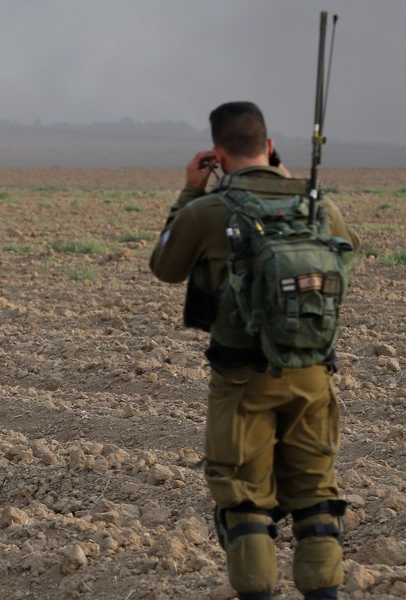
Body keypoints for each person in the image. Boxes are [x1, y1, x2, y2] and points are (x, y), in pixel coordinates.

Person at [150, 102, 359, 600]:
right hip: (312, 374)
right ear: (269, 147)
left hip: (242, 378)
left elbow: (165, 265)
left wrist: (189, 191)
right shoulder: (317, 206)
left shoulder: (207, 211)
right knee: (315, 499)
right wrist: (287, 181)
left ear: (218, 154)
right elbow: (347, 251)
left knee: (245, 502)